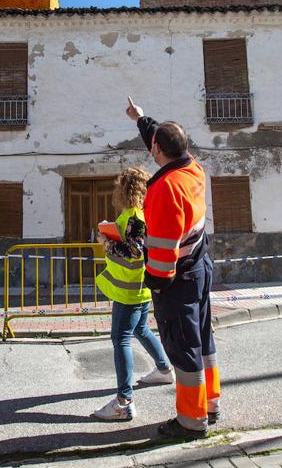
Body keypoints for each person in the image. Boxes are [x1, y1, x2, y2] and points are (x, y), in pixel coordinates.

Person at [125, 96, 221, 440]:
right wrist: (140, 118)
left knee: (183, 347)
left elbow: (164, 251)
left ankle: (191, 421)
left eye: (153, 146)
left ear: (157, 153)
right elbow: (160, 138)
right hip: (199, 267)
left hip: (177, 278)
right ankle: (210, 403)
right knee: (202, 340)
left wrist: (155, 283)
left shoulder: (164, 189)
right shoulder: (192, 167)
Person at [92, 167, 175, 421]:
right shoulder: (144, 214)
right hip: (140, 288)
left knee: (121, 339)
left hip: (129, 291)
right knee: (140, 329)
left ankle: (124, 401)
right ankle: (163, 369)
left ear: (124, 189)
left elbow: (135, 251)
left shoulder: (134, 217)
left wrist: (105, 241)